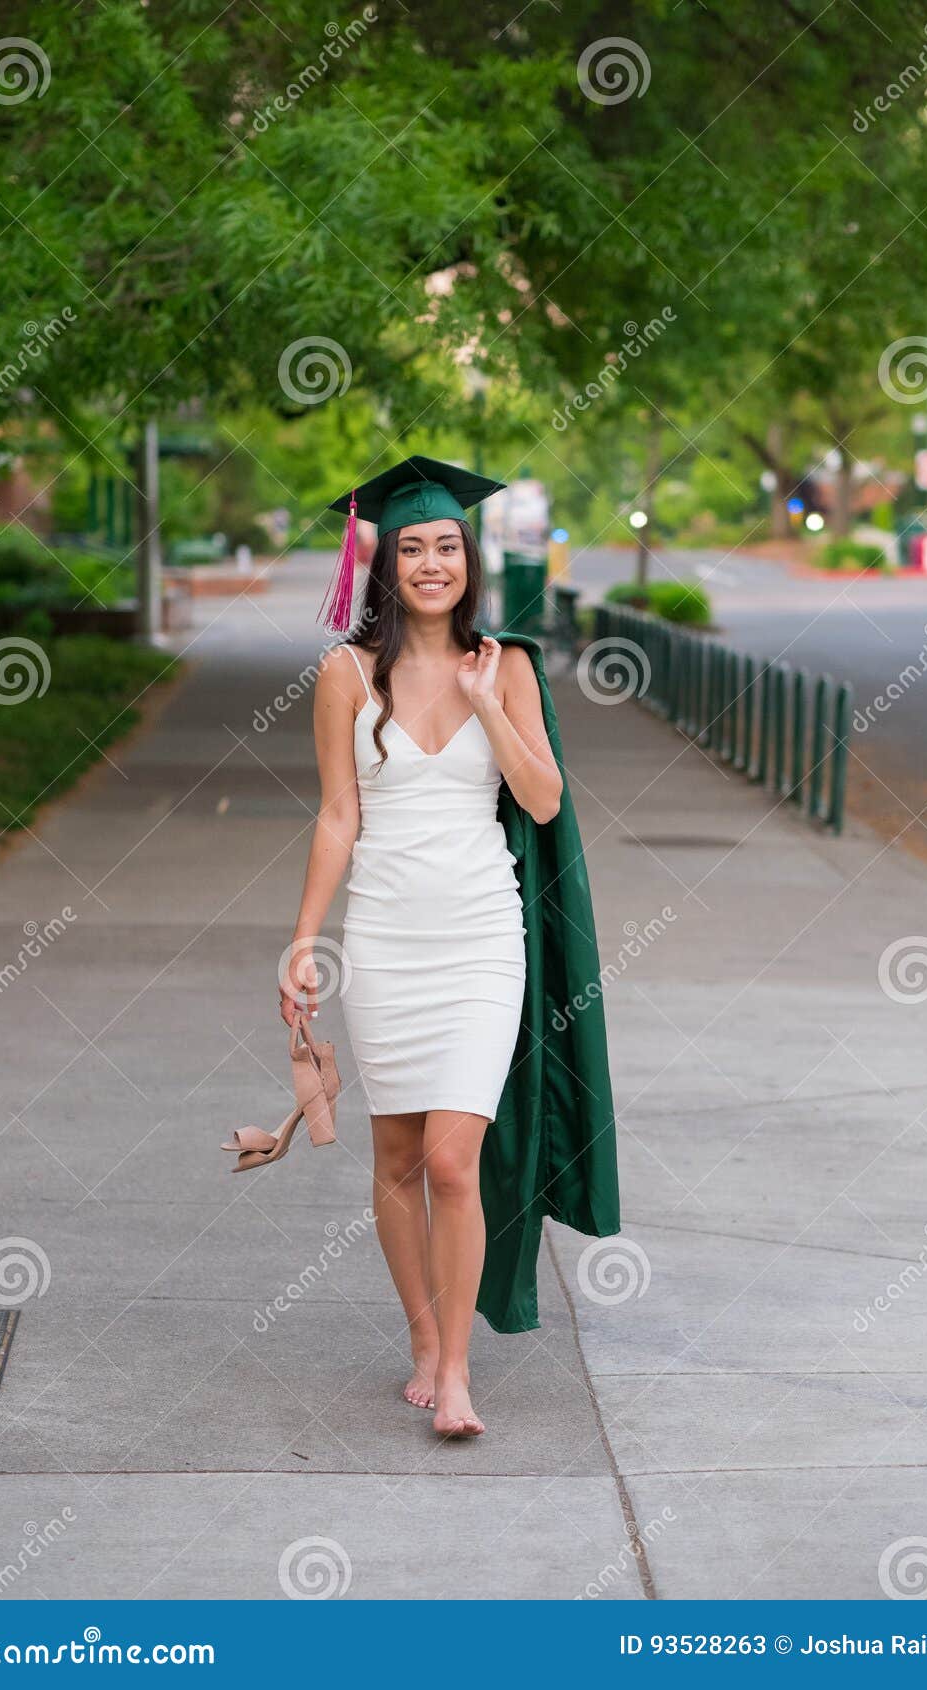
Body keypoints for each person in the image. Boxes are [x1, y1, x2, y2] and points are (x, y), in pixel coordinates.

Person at [282, 456, 619, 1438]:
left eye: (446, 547)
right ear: (384, 562)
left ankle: (460, 1370)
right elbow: (337, 816)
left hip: (480, 940)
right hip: (384, 941)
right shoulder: (343, 676)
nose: (431, 563)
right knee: (393, 1156)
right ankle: (423, 1337)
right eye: (412, 547)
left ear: (468, 560)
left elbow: (545, 799)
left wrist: (480, 705)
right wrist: (303, 939)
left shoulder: (504, 664)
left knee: (450, 1158)